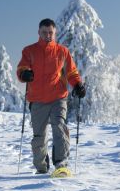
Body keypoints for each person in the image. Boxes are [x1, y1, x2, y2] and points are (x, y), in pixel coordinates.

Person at [17, 18, 86, 175]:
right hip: (37, 100)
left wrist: (78, 84)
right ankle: (41, 167)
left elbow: (72, 72)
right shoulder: (29, 51)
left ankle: (61, 164)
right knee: (39, 136)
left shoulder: (62, 51)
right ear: (38, 32)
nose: (48, 35)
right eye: (44, 32)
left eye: (50, 33)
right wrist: (24, 73)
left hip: (58, 98)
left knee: (60, 128)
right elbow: (22, 68)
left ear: (55, 33)